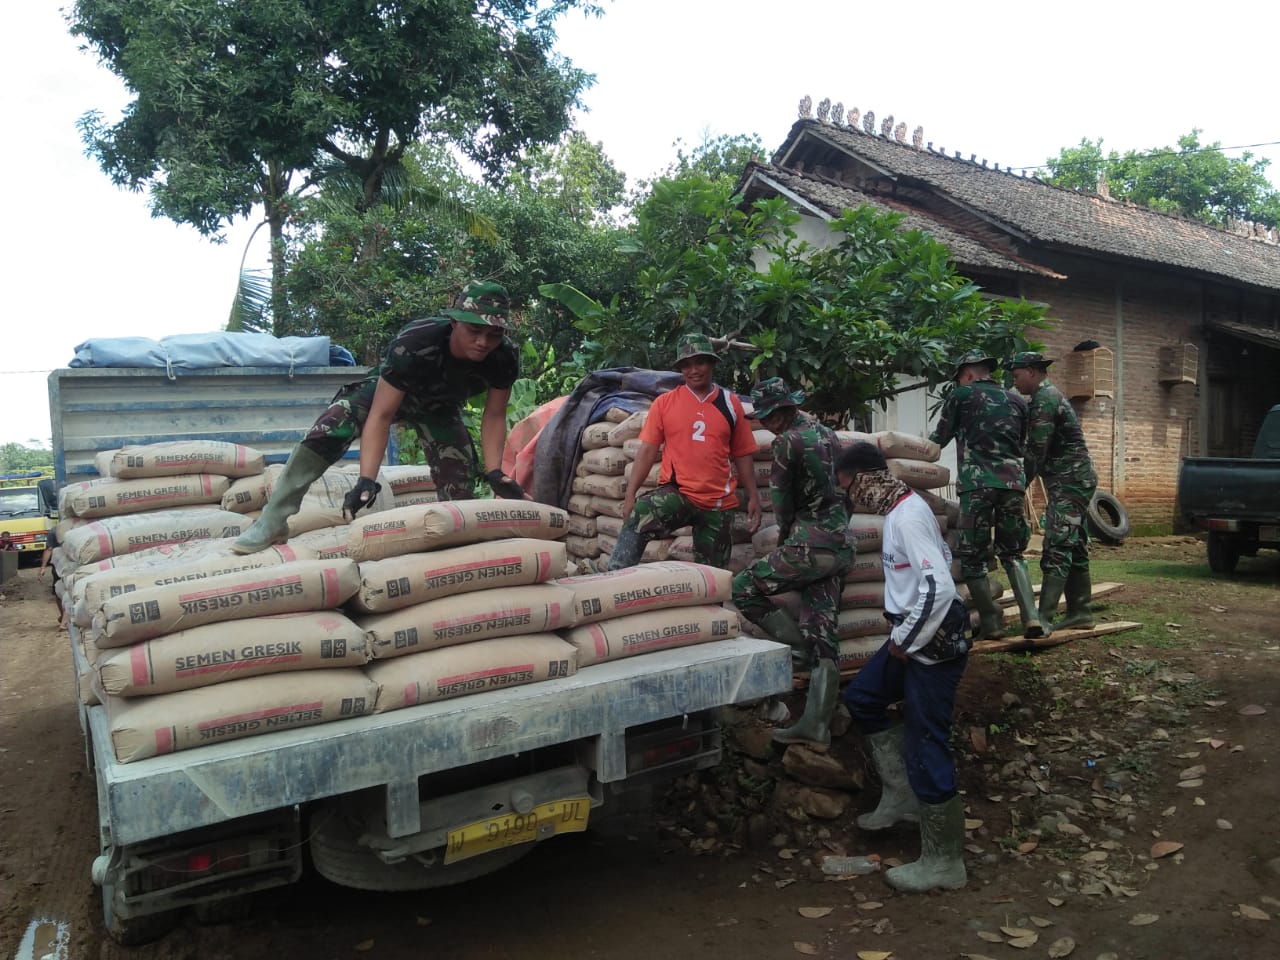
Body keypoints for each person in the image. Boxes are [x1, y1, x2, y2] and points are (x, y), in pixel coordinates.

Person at [233, 281, 527, 554]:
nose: (483, 342)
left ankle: (456, 544)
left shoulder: (504, 357)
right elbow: (382, 414)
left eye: (494, 334)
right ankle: (272, 520)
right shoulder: (416, 341)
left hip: (440, 409)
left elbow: (494, 416)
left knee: (459, 480)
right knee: (332, 425)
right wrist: (366, 480)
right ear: (454, 323)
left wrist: (493, 472)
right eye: (474, 331)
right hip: (387, 396)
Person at [837, 441, 971, 893]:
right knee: (863, 697)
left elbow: (940, 588)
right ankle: (901, 797)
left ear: (870, 478)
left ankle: (944, 860)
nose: (853, 498)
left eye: (852, 487)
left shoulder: (909, 517)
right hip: (911, 637)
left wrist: (906, 639)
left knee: (926, 737)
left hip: (931, 644)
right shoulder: (899, 513)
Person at [730, 378, 854, 751]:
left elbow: (781, 504)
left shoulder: (788, 442)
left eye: (767, 417)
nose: (765, 424)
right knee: (823, 629)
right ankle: (816, 724)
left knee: (742, 588)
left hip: (809, 546)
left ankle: (797, 651)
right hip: (841, 546)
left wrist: (784, 540)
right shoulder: (830, 435)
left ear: (783, 412)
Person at [608, 333, 761, 570]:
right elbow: (647, 451)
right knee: (641, 514)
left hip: (718, 502)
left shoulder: (730, 404)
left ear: (711, 363)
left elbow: (742, 453)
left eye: (699, 362)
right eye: (686, 365)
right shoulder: (665, 403)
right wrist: (630, 495)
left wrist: (753, 496)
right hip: (679, 494)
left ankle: (708, 605)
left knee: (713, 576)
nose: (693, 370)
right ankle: (613, 579)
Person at [928, 350, 1041, 640]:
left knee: (972, 557)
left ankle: (990, 623)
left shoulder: (961, 396)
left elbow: (939, 439)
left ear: (966, 374)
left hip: (977, 486)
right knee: (1013, 552)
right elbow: (1023, 446)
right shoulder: (1017, 401)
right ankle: (1031, 617)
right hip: (1013, 486)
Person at [1009, 351, 1099, 632]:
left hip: (1070, 481)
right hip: (1072, 480)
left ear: (1032, 371)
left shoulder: (1045, 398)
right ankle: (1080, 612)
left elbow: (1036, 450)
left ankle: (1044, 618)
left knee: (1057, 544)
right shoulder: (1042, 397)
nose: (1014, 381)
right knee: (1074, 543)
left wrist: (1017, 485)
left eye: (1017, 375)